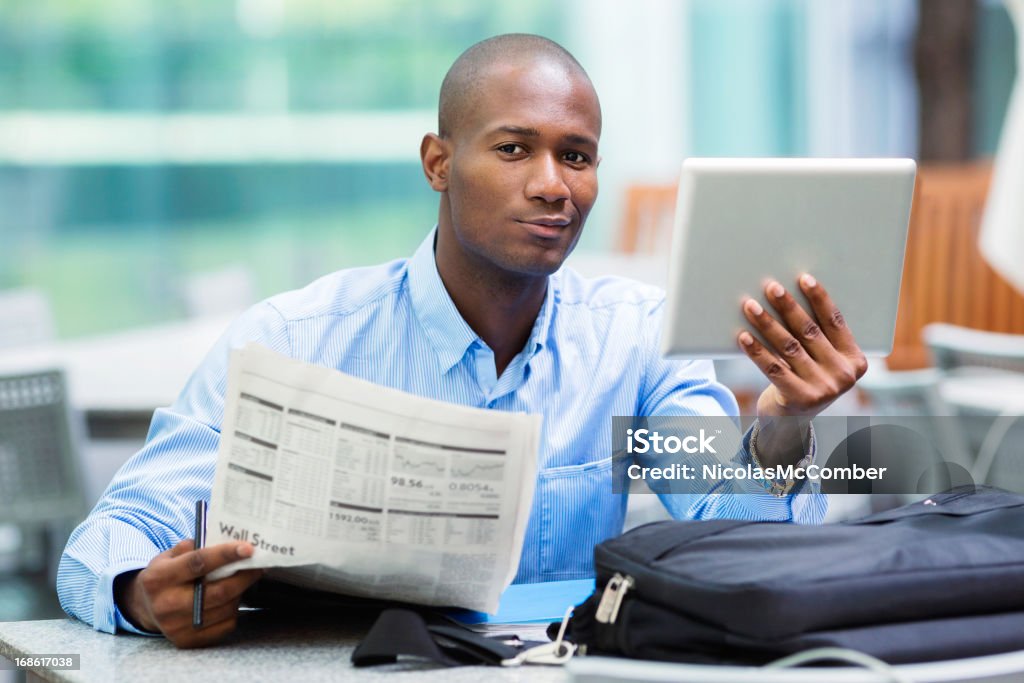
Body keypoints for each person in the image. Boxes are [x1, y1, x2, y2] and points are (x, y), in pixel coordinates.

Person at [57, 34, 867, 648]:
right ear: (439, 163)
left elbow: (739, 533)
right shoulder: (294, 338)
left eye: (577, 156)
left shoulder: (636, 339)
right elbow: (112, 532)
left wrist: (783, 426)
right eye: (514, 149)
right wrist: (138, 592)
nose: (553, 184)